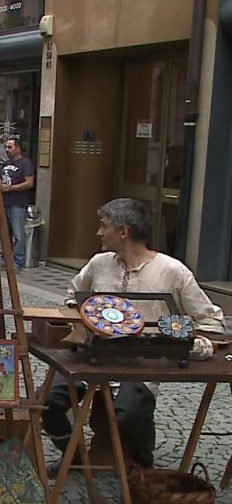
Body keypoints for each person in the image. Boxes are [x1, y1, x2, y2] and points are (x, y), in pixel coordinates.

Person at [42, 198, 225, 469]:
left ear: (123, 232)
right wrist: (81, 323)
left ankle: (143, 468)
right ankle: (75, 456)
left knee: (129, 417)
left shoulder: (172, 271)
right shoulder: (99, 263)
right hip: (93, 358)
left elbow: (212, 322)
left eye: (104, 226)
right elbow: (73, 295)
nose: (99, 232)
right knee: (47, 402)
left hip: (141, 365)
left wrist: (181, 339)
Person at [0, 137, 35, 271]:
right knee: (5, 233)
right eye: (6, 147)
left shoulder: (26, 163)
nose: (7, 150)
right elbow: (0, 179)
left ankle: (18, 261)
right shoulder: (5, 164)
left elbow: (29, 183)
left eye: (10, 147)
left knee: (18, 234)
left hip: (18, 203)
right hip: (4, 202)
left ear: (18, 148)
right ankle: (5, 259)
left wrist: (11, 188)